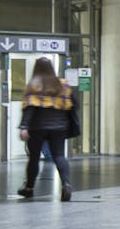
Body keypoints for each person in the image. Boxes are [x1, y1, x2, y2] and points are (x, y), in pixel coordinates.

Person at [17, 58, 78, 202]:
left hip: (37, 127)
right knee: (59, 156)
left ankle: (29, 188)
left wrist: (24, 126)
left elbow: (29, 108)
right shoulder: (63, 84)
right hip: (59, 127)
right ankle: (66, 184)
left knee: (34, 158)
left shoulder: (34, 84)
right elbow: (73, 104)